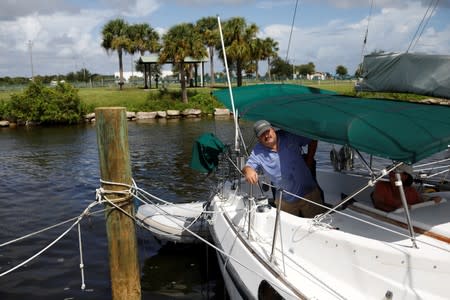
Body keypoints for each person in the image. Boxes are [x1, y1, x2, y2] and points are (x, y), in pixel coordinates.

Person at [242, 120, 325, 218]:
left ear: (273, 129)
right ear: (258, 139)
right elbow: (247, 167)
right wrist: (248, 171)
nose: (266, 135)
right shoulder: (257, 151)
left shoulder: (289, 136)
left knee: (318, 227)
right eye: (262, 134)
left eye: (267, 131)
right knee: (288, 231)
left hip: (309, 194)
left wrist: (310, 160)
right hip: (285, 200)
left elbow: (313, 139)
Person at [372, 164, 441, 212]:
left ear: (405, 177)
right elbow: (378, 204)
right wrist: (396, 210)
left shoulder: (411, 191)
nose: (391, 173)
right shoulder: (381, 185)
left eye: (396, 172)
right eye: (391, 171)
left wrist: (432, 200)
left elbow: (420, 204)